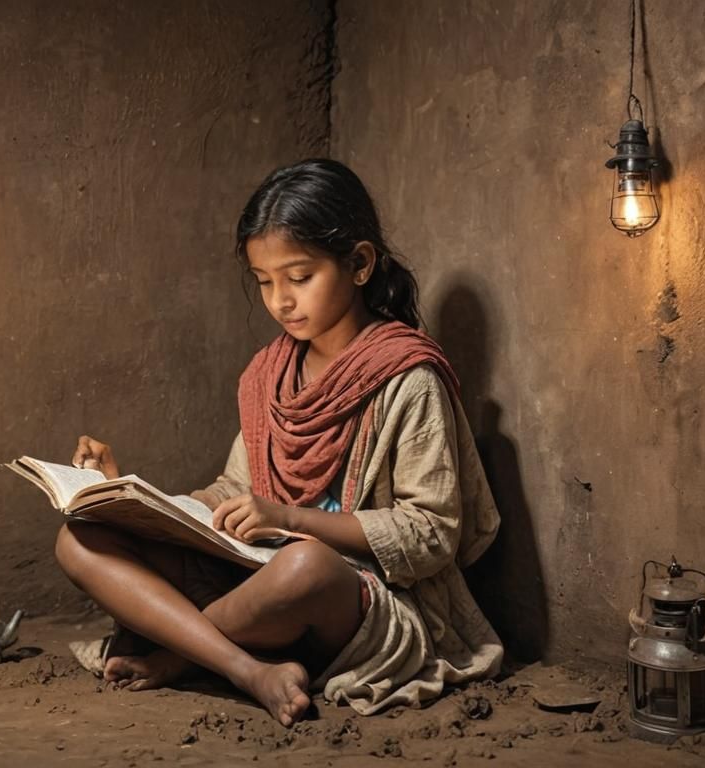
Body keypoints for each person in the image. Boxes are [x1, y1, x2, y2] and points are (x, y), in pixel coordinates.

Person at [54, 158, 503, 727]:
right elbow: (235, 491)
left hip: (355, 597)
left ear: (359, 263)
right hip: (253, 580)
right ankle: (248, 668)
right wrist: (130, 499)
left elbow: (431, 532)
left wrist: (291, 517)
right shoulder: (269, 374)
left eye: (300, 277)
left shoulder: (408, 378)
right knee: (80, 538)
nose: (280, 301)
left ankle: (178, 656)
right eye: (265, 282)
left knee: (306, 567)